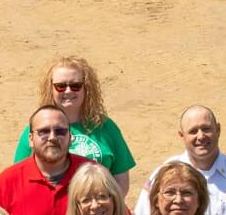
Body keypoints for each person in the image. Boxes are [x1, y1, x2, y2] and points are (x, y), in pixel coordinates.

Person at [12, 57, 135, 193]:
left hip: (95, 208)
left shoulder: (106, 126)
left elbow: (121, 180)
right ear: (50, 88)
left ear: (86, 88)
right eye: (61, 86)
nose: (68, 91)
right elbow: (19, 177)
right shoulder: (37, 129)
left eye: (75, 85)